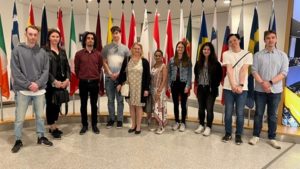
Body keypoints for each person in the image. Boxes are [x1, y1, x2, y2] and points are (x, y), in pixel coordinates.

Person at [11, 25, 53, 153]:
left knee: (40, 116)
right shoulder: (17, 51)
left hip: (39, 90)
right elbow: (16, 71)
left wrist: (38, 84)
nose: (33, 37)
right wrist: (29, 84)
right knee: (19, 117)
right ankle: (18, 139)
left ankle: (41, 137)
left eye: (35, 35)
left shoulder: (42, 52)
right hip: (23, 90)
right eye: (30, 34)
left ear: (37, 35)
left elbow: (46, 71)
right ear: (26, 34)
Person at [248, 30, 289, 149]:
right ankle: (256, 136)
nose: (270, 40)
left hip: (275, 91)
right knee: (258, 114)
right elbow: (254, 70)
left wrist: (270, 83)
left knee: (273, 115)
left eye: (273, 37)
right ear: (264, 40)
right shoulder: (258, 55)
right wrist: (262, 83)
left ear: (276, 39)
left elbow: (284, 72)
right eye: (268, 38)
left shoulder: (282, 55)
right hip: (260, 91)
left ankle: (272, 138)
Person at [222, 34, 253, 145]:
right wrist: (233, 85)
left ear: (239, 40)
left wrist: (240, 85)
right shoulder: (226, 53)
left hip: (242, 89)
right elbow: (229, 70)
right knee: (228, 112)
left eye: (235, 40)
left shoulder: (248, 54)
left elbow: (244, 70)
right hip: (228, 88)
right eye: (230, 41)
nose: (233, 43)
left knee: (240, 113)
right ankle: (228, 133)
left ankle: (239, 135)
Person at [117, 42, 150, 134]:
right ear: (132, 49)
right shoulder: (127, 59)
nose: (137, 50)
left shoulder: (145, 61)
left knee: (139, 107)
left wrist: (146, 89)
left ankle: (138, 126)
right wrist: (119, 83)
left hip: (140, 88)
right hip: (130, 87)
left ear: (141, 50)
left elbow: (148, 76)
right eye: (135, 48)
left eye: (138, 48)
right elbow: (122, 73)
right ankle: (133, 125)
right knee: (131, 106)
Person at [102, 26, 130, 129]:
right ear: (112, 34)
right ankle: (111, 119)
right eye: (114, 33)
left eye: (117, 33)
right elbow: (104, 62)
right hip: (109, 78)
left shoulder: (125, 49)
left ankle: (120, 120)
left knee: (120, 100)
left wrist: (119, 74)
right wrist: (109, 73)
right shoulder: (106, 48)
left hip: (120, 79)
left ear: (120, 34)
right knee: (110, 100)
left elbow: (127, 64)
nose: (115, 35)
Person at [75, 32, 103, 135]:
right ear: (85, 40)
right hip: (83, 82)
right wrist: (82, 76)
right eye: (88, 38)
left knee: (94, 104)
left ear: (94, 41)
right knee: (83, 104)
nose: (90, 40)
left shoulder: (98, 54)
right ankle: (85, 125)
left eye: (92, 38)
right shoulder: (79, 54)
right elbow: (77, 68)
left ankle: (94, 125)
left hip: (94, 82)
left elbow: (99, 67)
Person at [44, 29, 70, 139]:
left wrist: (68, 79)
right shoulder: (44, 51)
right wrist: (54, 81)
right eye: (53, 36)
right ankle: (52, 126)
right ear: (49, 37)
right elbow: (44, 69)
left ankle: (53, 124)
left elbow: (67, 67)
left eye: (57, 37)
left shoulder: (62, 51)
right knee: (51, 104)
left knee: (57, 104)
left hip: (62, 82)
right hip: (50, 83)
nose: (55, 38)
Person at [194, 42, 222, 136]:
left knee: (209, 109)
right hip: (201, 88)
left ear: (211, 51)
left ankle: (208, 127)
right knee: (201, 109)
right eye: (204, 49)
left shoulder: (216, 64)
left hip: (211, 90)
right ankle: (201, 125)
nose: (206, 51)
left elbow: (219, 76)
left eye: (208, 49)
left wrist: (214, 85)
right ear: (202, 51)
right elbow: (196, 73)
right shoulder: (198, 63)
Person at [168, 41, 192, 132]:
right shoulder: (172, 59)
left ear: (184, 49)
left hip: (183, 84)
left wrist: (188, 86)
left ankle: (183, 123)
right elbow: (169, 73)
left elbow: (189, 74)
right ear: (176, 48)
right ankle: (177, 122)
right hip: (174, 84)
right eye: (178, 47)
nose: (180, 49)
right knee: (175, 104)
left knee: (183, 105)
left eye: (182, 47)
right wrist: (169, 85)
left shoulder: (188, 59)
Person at [150, 49, 168, 134]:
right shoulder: (153, 66)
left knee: (159, 108)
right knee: (155, 108)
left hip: (159, 90)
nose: (157, 57)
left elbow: (164, 80)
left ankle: (161, 127)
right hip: (153, 89)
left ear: (162, 57)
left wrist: (159, 91)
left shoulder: (163, 66)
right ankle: (158, 125)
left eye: (159, 56)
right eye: (156, 55)